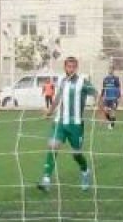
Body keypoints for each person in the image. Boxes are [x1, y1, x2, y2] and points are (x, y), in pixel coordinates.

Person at [37, 56, 95, 192]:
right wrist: (49, 112)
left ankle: (85, 171)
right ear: (65, 67)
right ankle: (46, 179)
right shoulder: (62, 81)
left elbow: (97, 94)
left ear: (77, 67)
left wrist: (104, 112)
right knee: (53, 145)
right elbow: (57, 99)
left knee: (76, 154)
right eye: (69, 66)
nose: (71, 69)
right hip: (60, 122)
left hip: (76, 125)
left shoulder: (83, 82)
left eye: (73, 67)